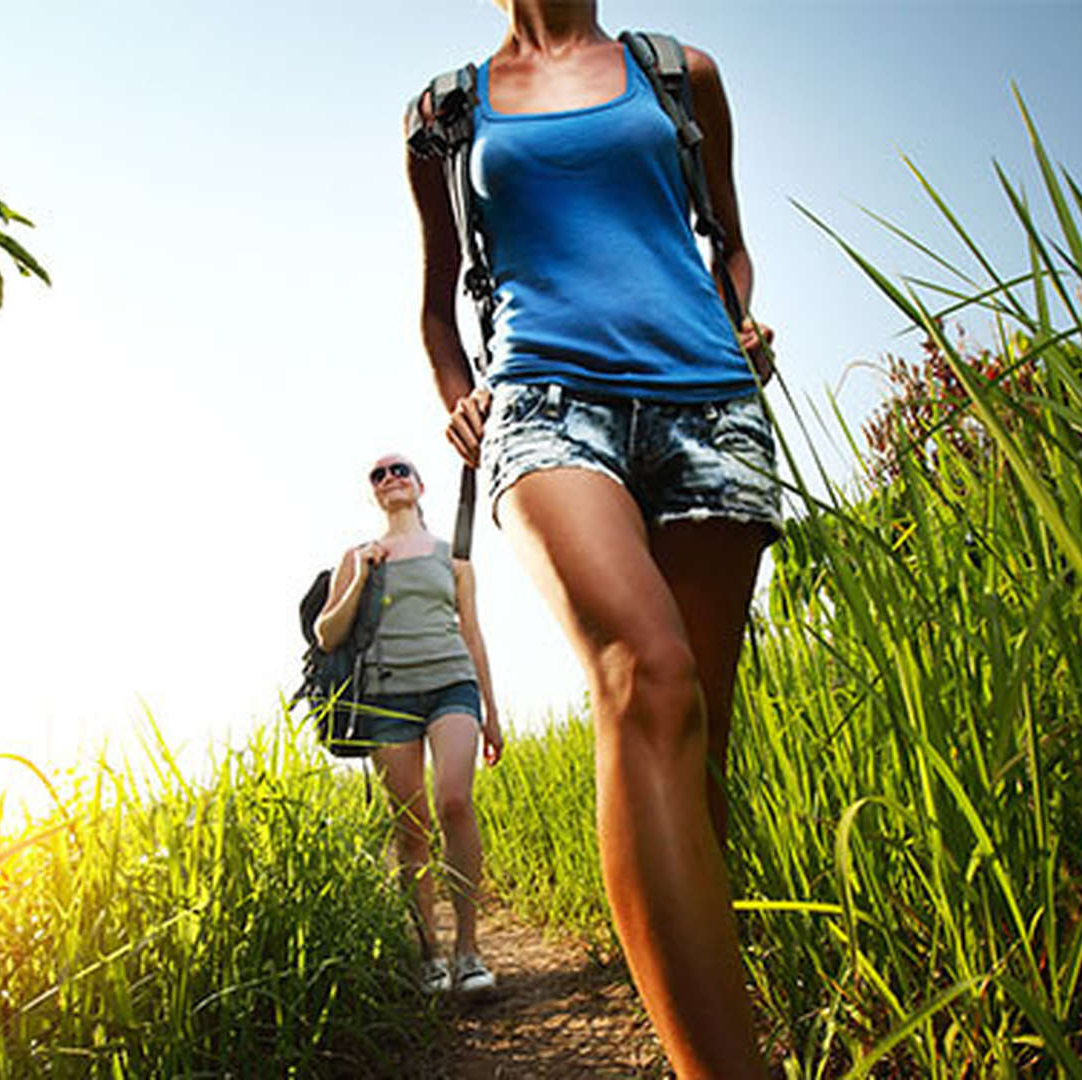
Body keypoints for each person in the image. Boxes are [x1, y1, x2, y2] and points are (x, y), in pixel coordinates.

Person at [406, 2, 779, 1075]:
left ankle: (711, 1003)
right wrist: (454, 389)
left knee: (698, 732)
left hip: (708, 398)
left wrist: (738, 318)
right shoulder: (445, 112)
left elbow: (731, 245)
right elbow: (437, 306)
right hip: (544, 400)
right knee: (645, 678)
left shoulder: (680, 73)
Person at [314, 453, 506, 994]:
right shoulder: (357, 555)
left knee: (453, 801)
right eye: (377, 475)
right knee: (412, 827)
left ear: (420, 486)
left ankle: (469, 952)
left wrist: (491, 711)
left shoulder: (454, 557)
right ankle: (431, 956)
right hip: (387, 696)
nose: (389, 478)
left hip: (452, 683)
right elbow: (327, 634)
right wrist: (361, 577)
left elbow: (472, 634)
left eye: (399, 470)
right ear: (374, 494)